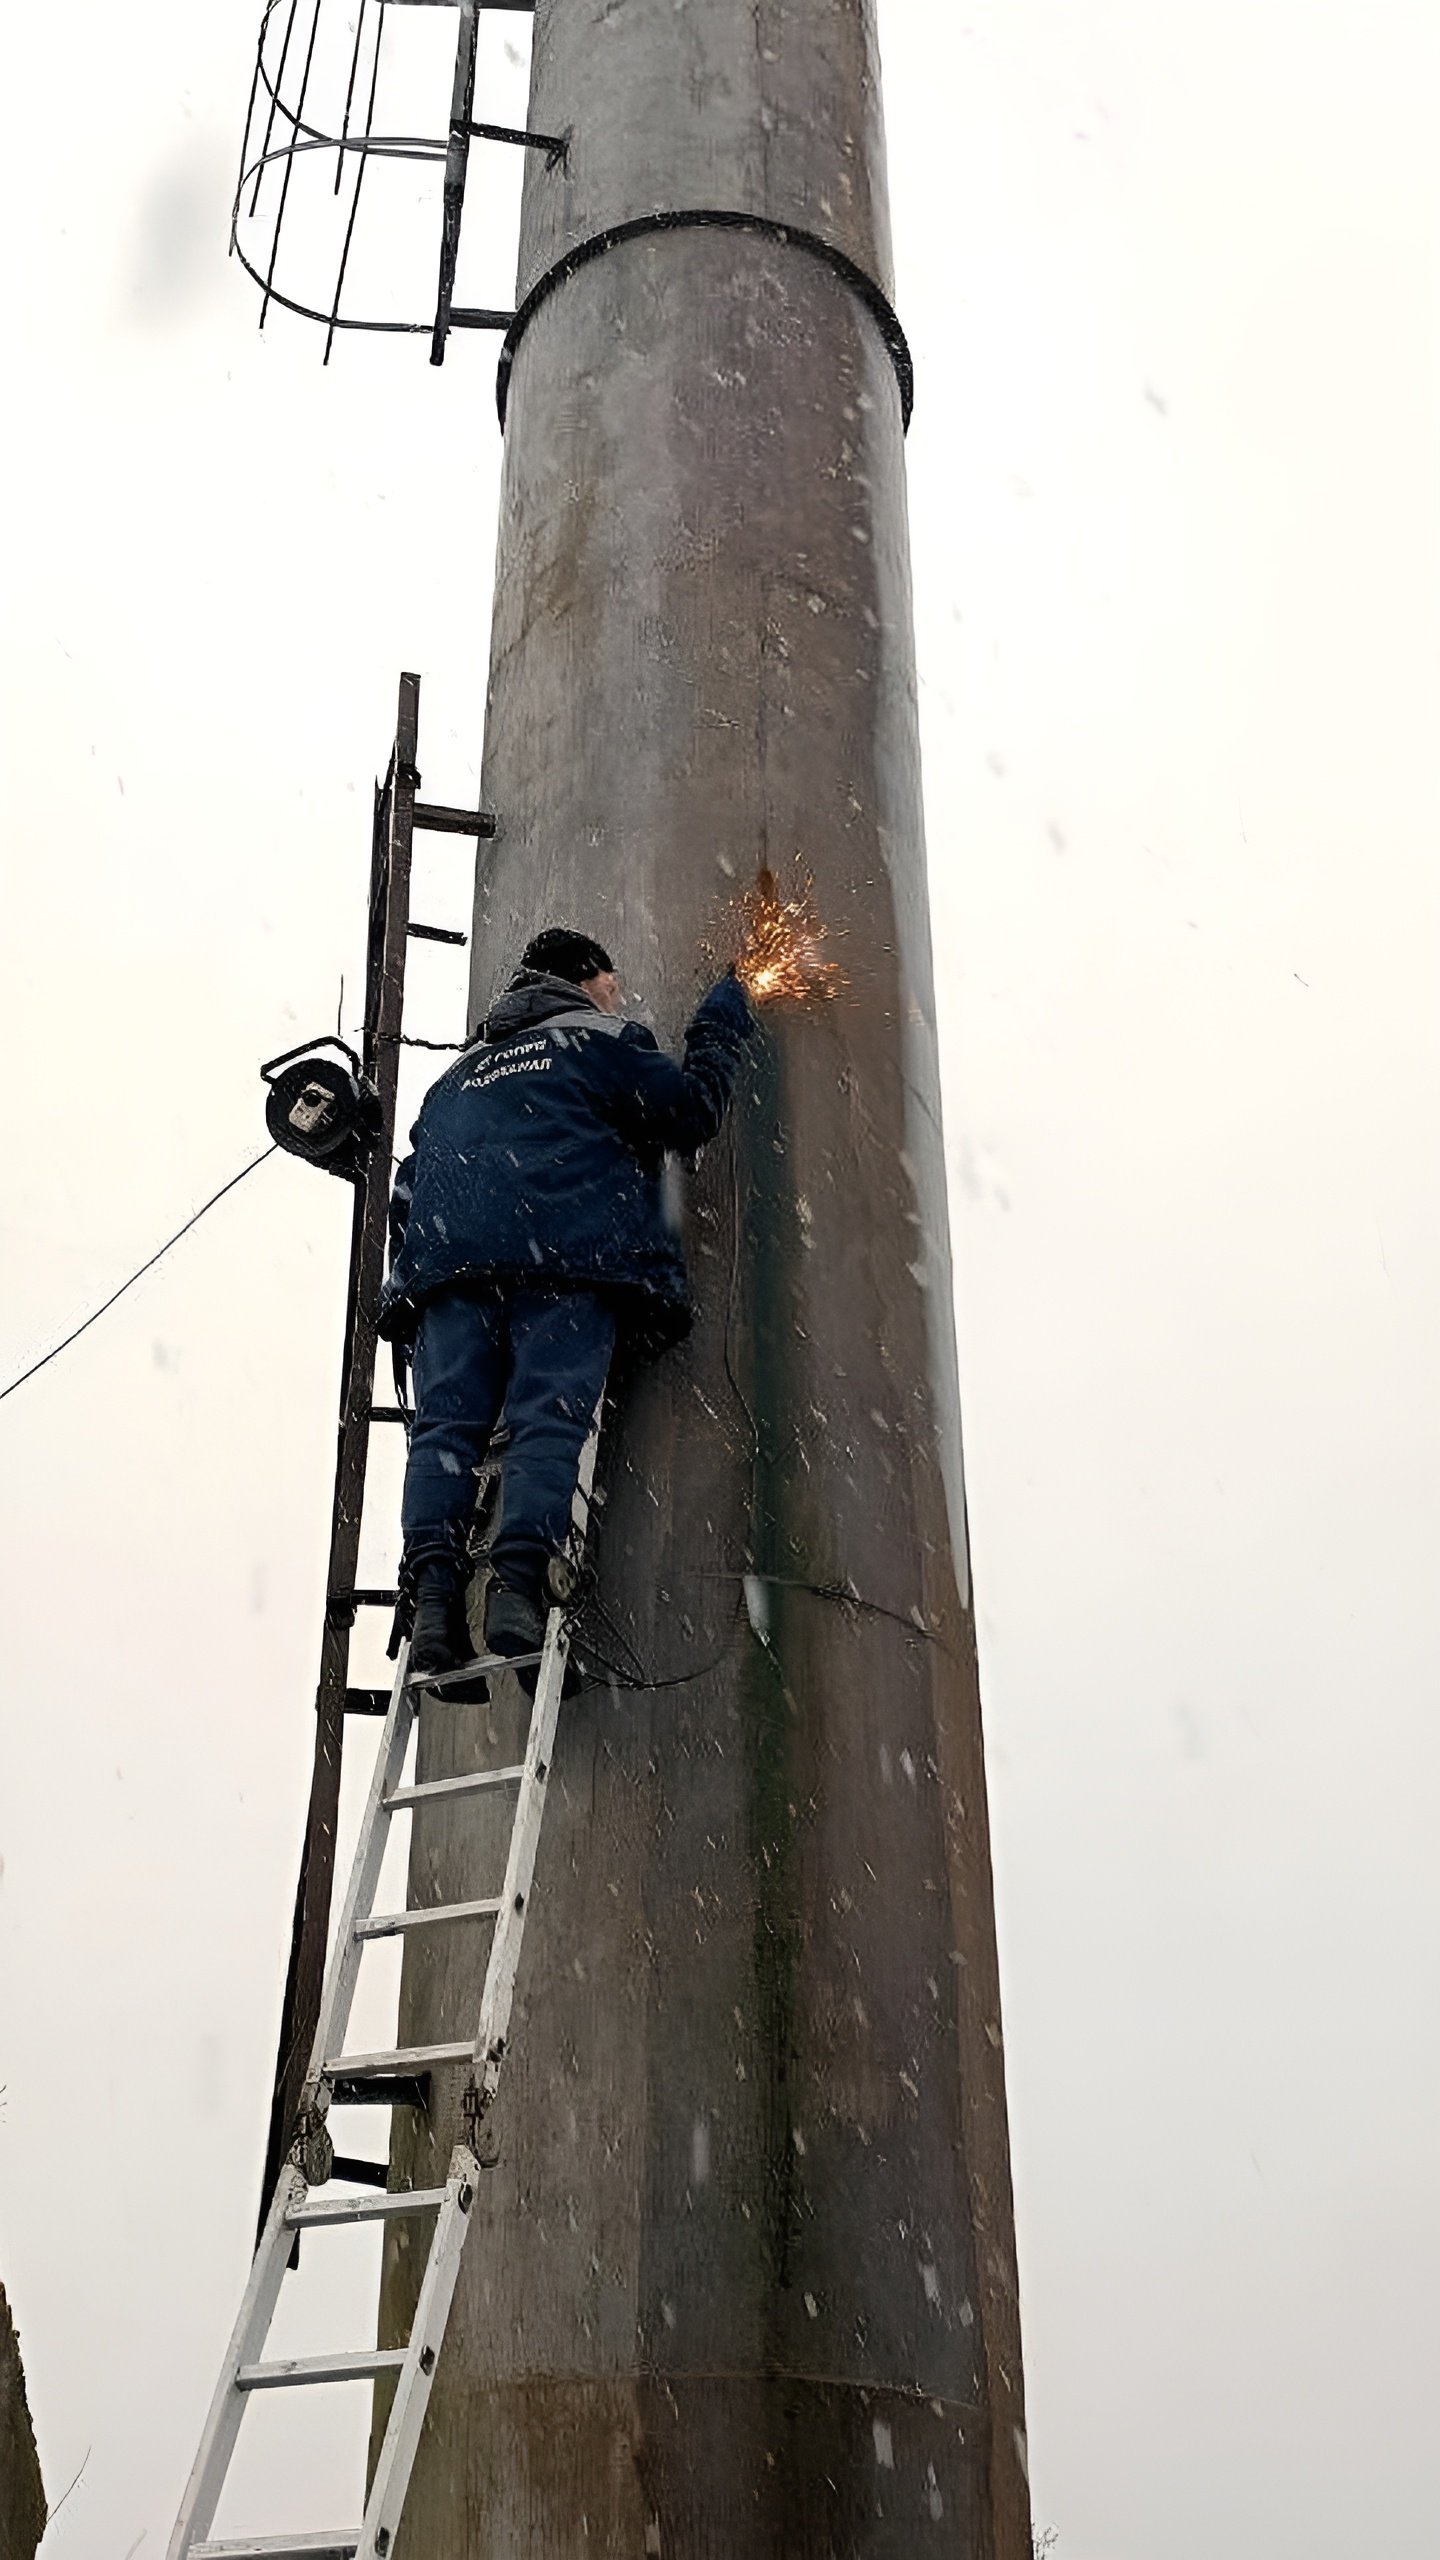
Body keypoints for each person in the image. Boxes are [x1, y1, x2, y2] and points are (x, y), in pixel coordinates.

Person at [379, 926, 755, 1677]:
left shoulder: (455, 1080)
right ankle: (518, 1586)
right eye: (613, 982)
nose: (620, 994)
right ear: (586, 979)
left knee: (445, 1434)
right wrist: (722, 1019)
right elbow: (689, 1113)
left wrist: (411, 1291)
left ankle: (433, 1602)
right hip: (564, 1253)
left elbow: (410, 1192)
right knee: (548, 1417)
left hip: (450, 1274)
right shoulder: (600, 1039)